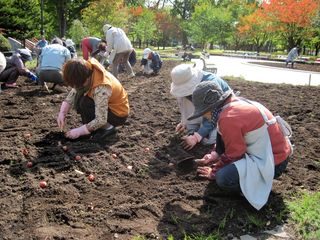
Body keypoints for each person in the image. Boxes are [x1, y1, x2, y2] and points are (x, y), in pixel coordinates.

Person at [191, 81, 293, 210]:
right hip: (277, 154)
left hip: (274, 163)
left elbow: (235, 153)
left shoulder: (228, 117)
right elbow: (227, 139)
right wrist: (214, 154)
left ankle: (255, 187)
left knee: (223, 178)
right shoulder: (237, 104)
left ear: (212, 107)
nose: (205, 115)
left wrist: (214, 171)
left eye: (204, 112)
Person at [56, 58, 129, 141]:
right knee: (82, 99)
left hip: (117, 115)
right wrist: (63, 112)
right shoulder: (87, 68)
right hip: (108, 107)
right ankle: (92, 128)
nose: (77, 87)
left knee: (85, 102)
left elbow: (101, 119)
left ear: (87, 78)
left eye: (79, 84)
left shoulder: (101, 87)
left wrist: (81, 131)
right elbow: (75, 90)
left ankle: (108, 128)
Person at [170, 64, 231, 150]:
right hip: (204, 107)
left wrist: (196, 137)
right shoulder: (186, 86)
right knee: (190, 129)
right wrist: (183, 121)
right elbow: (185, 104)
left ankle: (200, 130)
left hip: (220, 109)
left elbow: (212, 117)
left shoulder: (209, 88)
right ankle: (193, 126)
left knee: (207, 140)